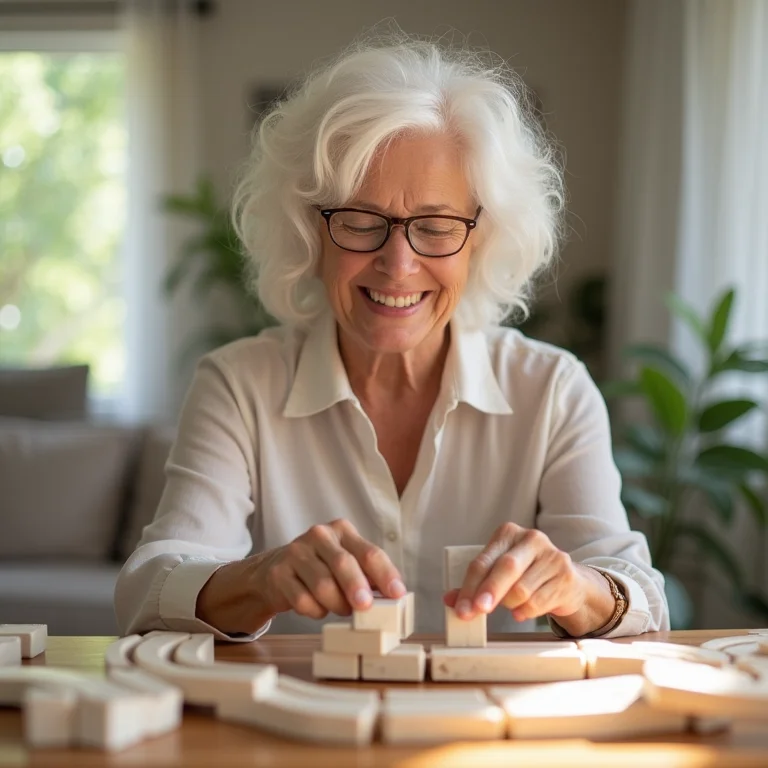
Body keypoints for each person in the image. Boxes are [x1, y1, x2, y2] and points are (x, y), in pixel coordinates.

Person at [115, 33, 669, 642]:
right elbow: (148, 591)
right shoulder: (240, 384)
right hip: (304, 725)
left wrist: (574, 587)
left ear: (480, 240)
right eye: (360, 222)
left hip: (497, 729)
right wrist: (261, 578)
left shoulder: (552, 389)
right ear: (309, 231)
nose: (398, 264)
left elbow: (639, 598)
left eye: (434, 226)